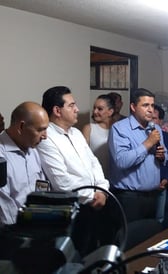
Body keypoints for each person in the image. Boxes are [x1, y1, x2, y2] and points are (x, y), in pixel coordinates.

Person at [37, 86, 110, 255]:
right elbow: (61, 181)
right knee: (74, 258)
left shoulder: (76, 133)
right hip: (71, 210)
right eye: (71, 105)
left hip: (95, 204)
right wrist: (93, 194)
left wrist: (102, 190)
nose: (77, 109)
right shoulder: (46, 138)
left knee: (94, 253)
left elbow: (94, 163)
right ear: (57, 110)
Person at [108, 88, 167, 224]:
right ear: (133, 107)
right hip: (129, 198)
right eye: (145, 105)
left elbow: (164, 157)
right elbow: (121, 161)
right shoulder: (119, 128)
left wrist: (161, 156)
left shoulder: (156, 129)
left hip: (153, 196)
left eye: (152, 105)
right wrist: (147, 143)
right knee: (130, 240)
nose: (151, 110)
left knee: (149, 238)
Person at [0, 102, 48, 224]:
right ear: (21, 127)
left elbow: (41, 188)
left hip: (38, 223)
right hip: (14, 234)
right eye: (40, 130)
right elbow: (5, 209)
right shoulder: (2, 156)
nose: (45, 136)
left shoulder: (33, 150)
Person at [153, 104, 168, 224]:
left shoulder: (166, 137)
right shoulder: (139, 135)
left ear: (161, 121)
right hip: (144, 187)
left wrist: (166, 179)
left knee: (160, 218)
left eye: (155, 118)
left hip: (162, 183)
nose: (152, 121)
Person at [82, 94, 115, 177]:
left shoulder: (119, 129)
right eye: (94, 108)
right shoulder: (88, 128)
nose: (95, 112)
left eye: (100, 109)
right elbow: (82, 155)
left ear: (110, 112)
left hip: (116, 179)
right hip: (96, 177)